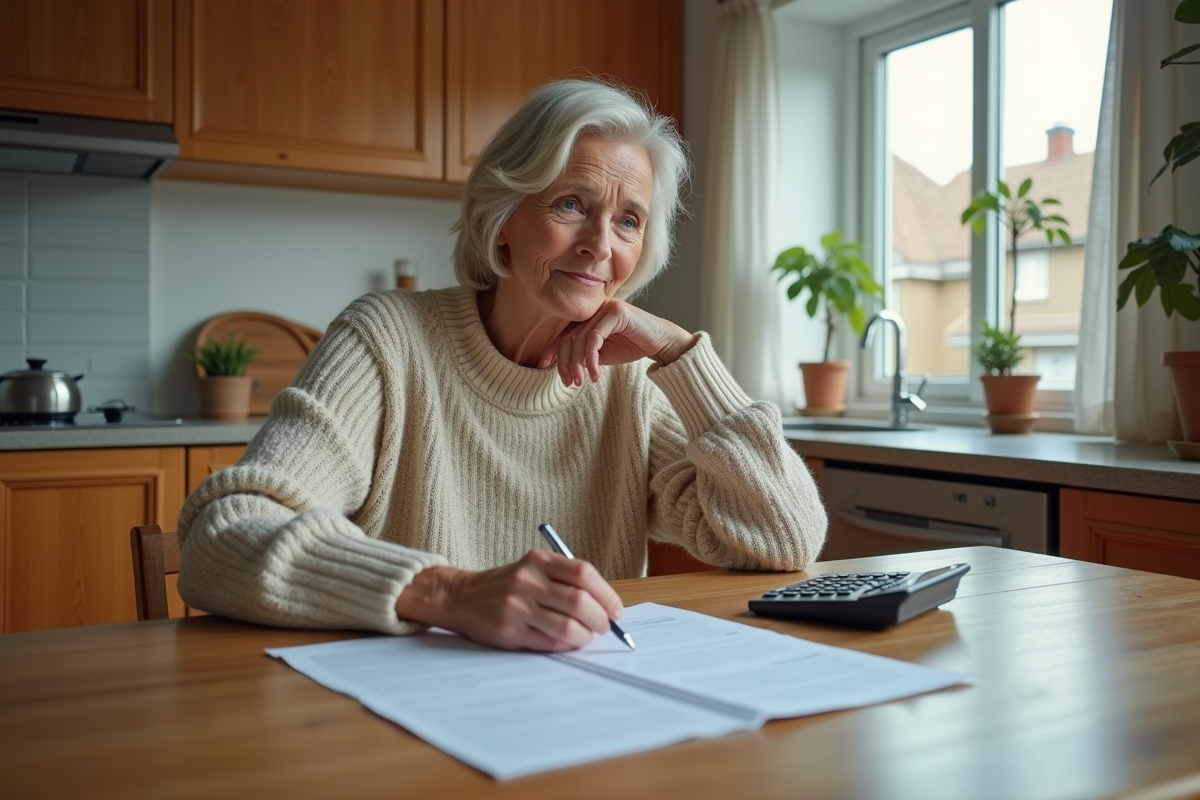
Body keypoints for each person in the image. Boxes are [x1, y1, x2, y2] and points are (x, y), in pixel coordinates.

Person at [177, 79, 826, 652]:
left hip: (585, 717)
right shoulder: (388, 339)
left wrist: (682, 355)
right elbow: (220, 537)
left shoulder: (629, 378)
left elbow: (786, 539)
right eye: (572, 203)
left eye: (628, 221)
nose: (600, 244)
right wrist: (449, 593)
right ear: (504, 216)